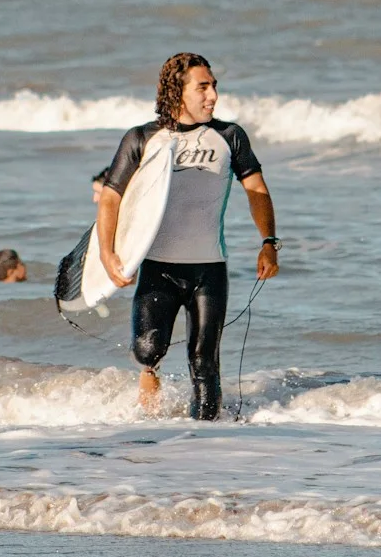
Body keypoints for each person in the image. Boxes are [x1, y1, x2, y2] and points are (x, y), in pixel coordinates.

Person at [95, 53, 280, 419]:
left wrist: (268, 243)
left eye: (214, 87)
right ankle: (149, 380)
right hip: (158, 268)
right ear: (178, 91)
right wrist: (107, 254)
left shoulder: (229, 137)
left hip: (209, 269)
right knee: (148, 350)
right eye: (203, 87)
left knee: (205, 363)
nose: (213, 95)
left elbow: (257, 189)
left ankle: (203, 446)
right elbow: (111, 199)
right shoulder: (143, 138)